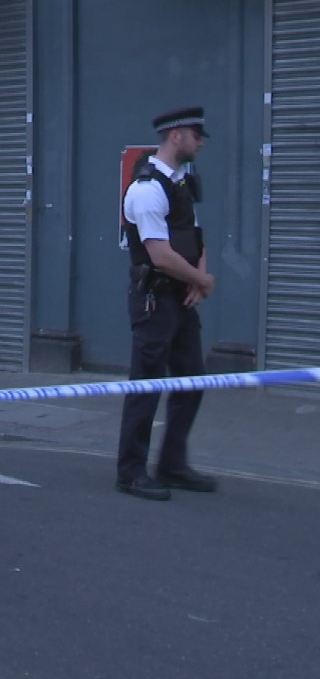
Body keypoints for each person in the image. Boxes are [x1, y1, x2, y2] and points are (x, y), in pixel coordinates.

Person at [116, 107, 218, 501]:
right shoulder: (146, 188)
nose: (201, 141)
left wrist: (199, 281)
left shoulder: (181, 182)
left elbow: (195, 235)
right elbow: (159, 255)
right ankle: (130, 472)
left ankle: (172, 465)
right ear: (176, 135)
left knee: (192, 380)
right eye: (197, 134)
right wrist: (202, 279)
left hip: (182, 297)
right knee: (147, 385)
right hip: (155, 299)